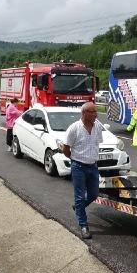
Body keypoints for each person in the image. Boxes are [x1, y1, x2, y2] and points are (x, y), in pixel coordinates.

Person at [61, 102, 104, 239]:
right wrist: (75, 159)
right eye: (93, 112)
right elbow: (66, 149)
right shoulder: (74, 128)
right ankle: (83, 225)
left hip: (93, 166)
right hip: (78, 167)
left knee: (94, 194)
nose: (96, 114)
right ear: (84, 113)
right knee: (79, 196)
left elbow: (97, 143)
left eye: (95, 111)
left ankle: (78, 207)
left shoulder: (97, 126)